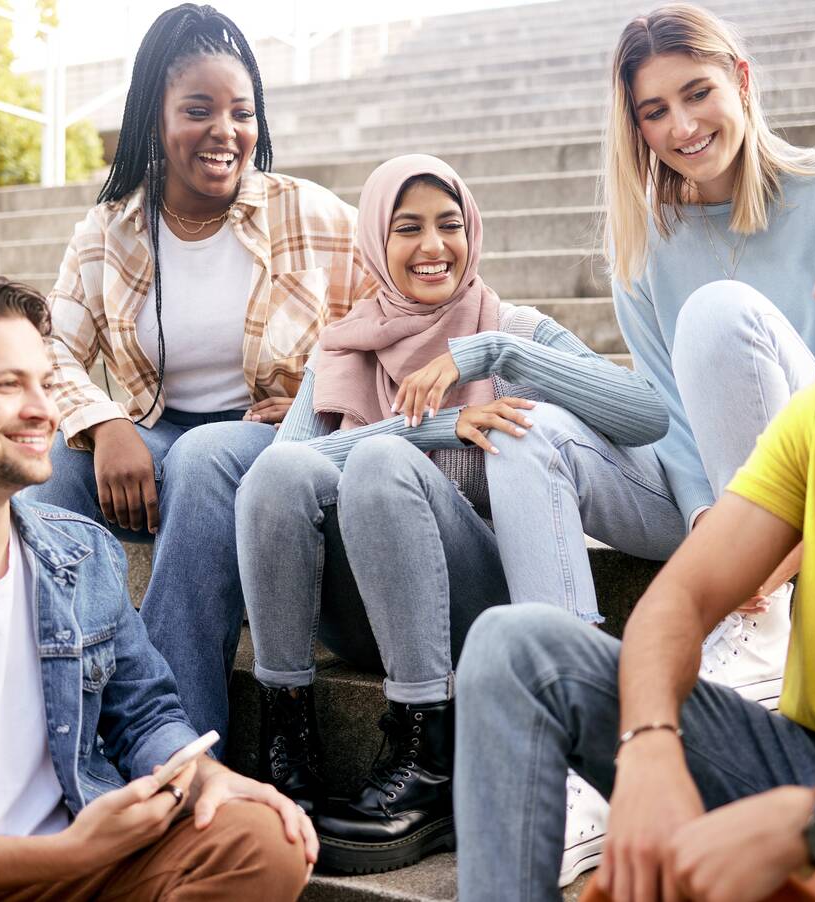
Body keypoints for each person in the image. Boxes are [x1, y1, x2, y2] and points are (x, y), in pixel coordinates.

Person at [453, 141, 815, 902]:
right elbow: (678, 601)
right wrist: (648, 745)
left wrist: (813, 827)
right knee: (516, 648)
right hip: (794, 761)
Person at [234, 154, 668, 874]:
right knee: (282, 469)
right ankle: (290, 751)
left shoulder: (513, 328)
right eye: (408, 228)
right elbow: (276, 482)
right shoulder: (341, 348)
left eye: (450, 225)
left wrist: (493, 355)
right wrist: (434, 427)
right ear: (376, 240)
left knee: (377, 463)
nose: (433, 246)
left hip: (468, 606)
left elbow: (645, 413)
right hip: (358, 615)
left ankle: (429, 761)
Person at [477, 3, 815, 710]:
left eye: (697, 93)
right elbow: (668, 412)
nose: (682, 128)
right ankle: (571, 699)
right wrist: (705, 524)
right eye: (654, 111)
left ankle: (766, 628)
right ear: (636, 127)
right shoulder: (645, 245)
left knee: (719, 311)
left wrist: (765, 547)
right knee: (525, 431)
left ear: (740, 80)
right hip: (708, 505)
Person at [24, 4, 373, 752]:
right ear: (154, 118)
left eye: (242, 112)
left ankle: (177, 746)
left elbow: (402, 320)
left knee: (203, 457)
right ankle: (58, 719)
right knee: (47, 474)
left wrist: (322, 403)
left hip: (262, 443)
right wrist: (104, 422)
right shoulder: (110, 230)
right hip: (154, 437)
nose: (226, 131)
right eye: (199, 110)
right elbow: (47, 350)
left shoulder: (308, 214)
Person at [0, 275, 318, 902]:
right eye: (7, 384)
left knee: (262, 836)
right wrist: (64, 855)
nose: (44, 411)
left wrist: (197, 773)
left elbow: (144, 712)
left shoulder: (77, 554)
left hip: (88, 858)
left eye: (44, 383)